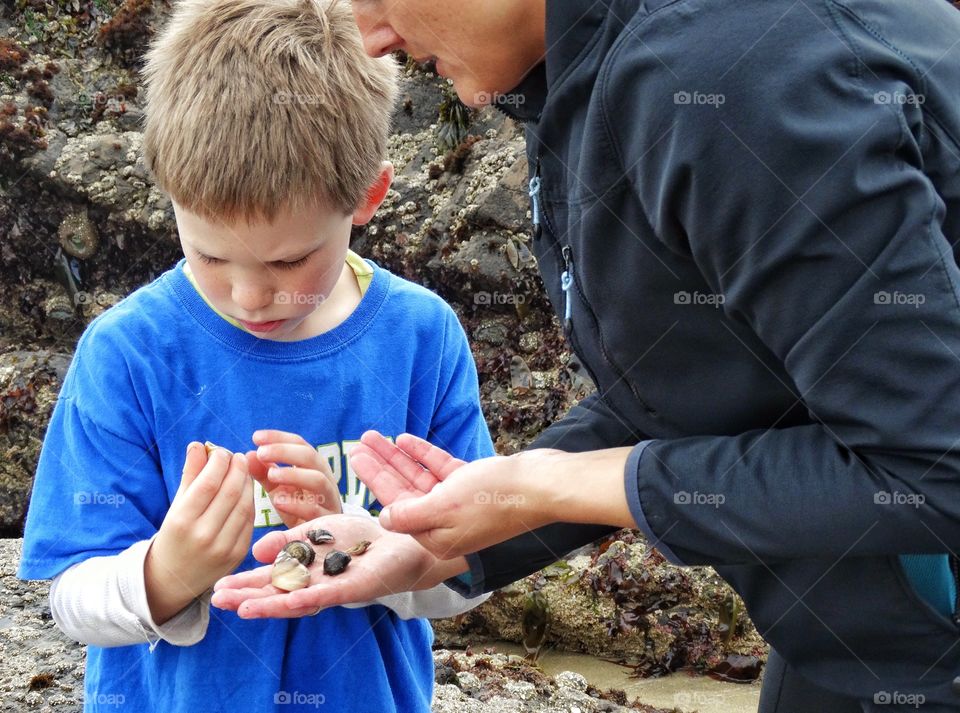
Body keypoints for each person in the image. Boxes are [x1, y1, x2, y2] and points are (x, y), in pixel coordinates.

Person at [214, 0, 960, 711]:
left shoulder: (722, 79)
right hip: (856, 635)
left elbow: (929, 471)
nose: (368, 34)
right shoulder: (581, 66)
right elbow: (690, 382)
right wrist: (456, 540)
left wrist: (554, 487)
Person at [16, 0, 493, 711]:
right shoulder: (127, 353)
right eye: (209, 253)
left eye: (288, 259)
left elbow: (476, 570)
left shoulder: (421, 338)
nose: (249, 295)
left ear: (368, 197)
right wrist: (168, 571)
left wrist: (380, 553)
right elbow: (71, 598)